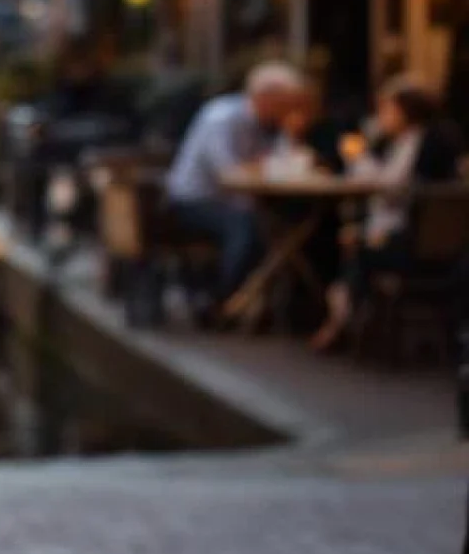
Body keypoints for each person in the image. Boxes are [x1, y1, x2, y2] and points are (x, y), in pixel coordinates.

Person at [309, 76, 464, 352]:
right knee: (353, 239)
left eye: (386, 109)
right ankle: (350, 316)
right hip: (435, 243)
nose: (381, 116)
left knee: (352, 244)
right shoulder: (422, 142)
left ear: (404, 111)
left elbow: (390, 189)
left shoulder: (415, 144)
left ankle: (347, 317)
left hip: (410, 242)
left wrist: (358, 154)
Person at [164, 61, 306, 320]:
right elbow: (227, 172)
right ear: (266, 97)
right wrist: (264, 166)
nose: (288, 110)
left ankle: (277, 304)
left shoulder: (271, 126)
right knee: (244, 227)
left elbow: (283, 162)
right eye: (284, 103)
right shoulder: (222, 117)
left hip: (243, 200)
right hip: (196, 199)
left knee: (289, 223)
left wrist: (290, 135)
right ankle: (223, 300)